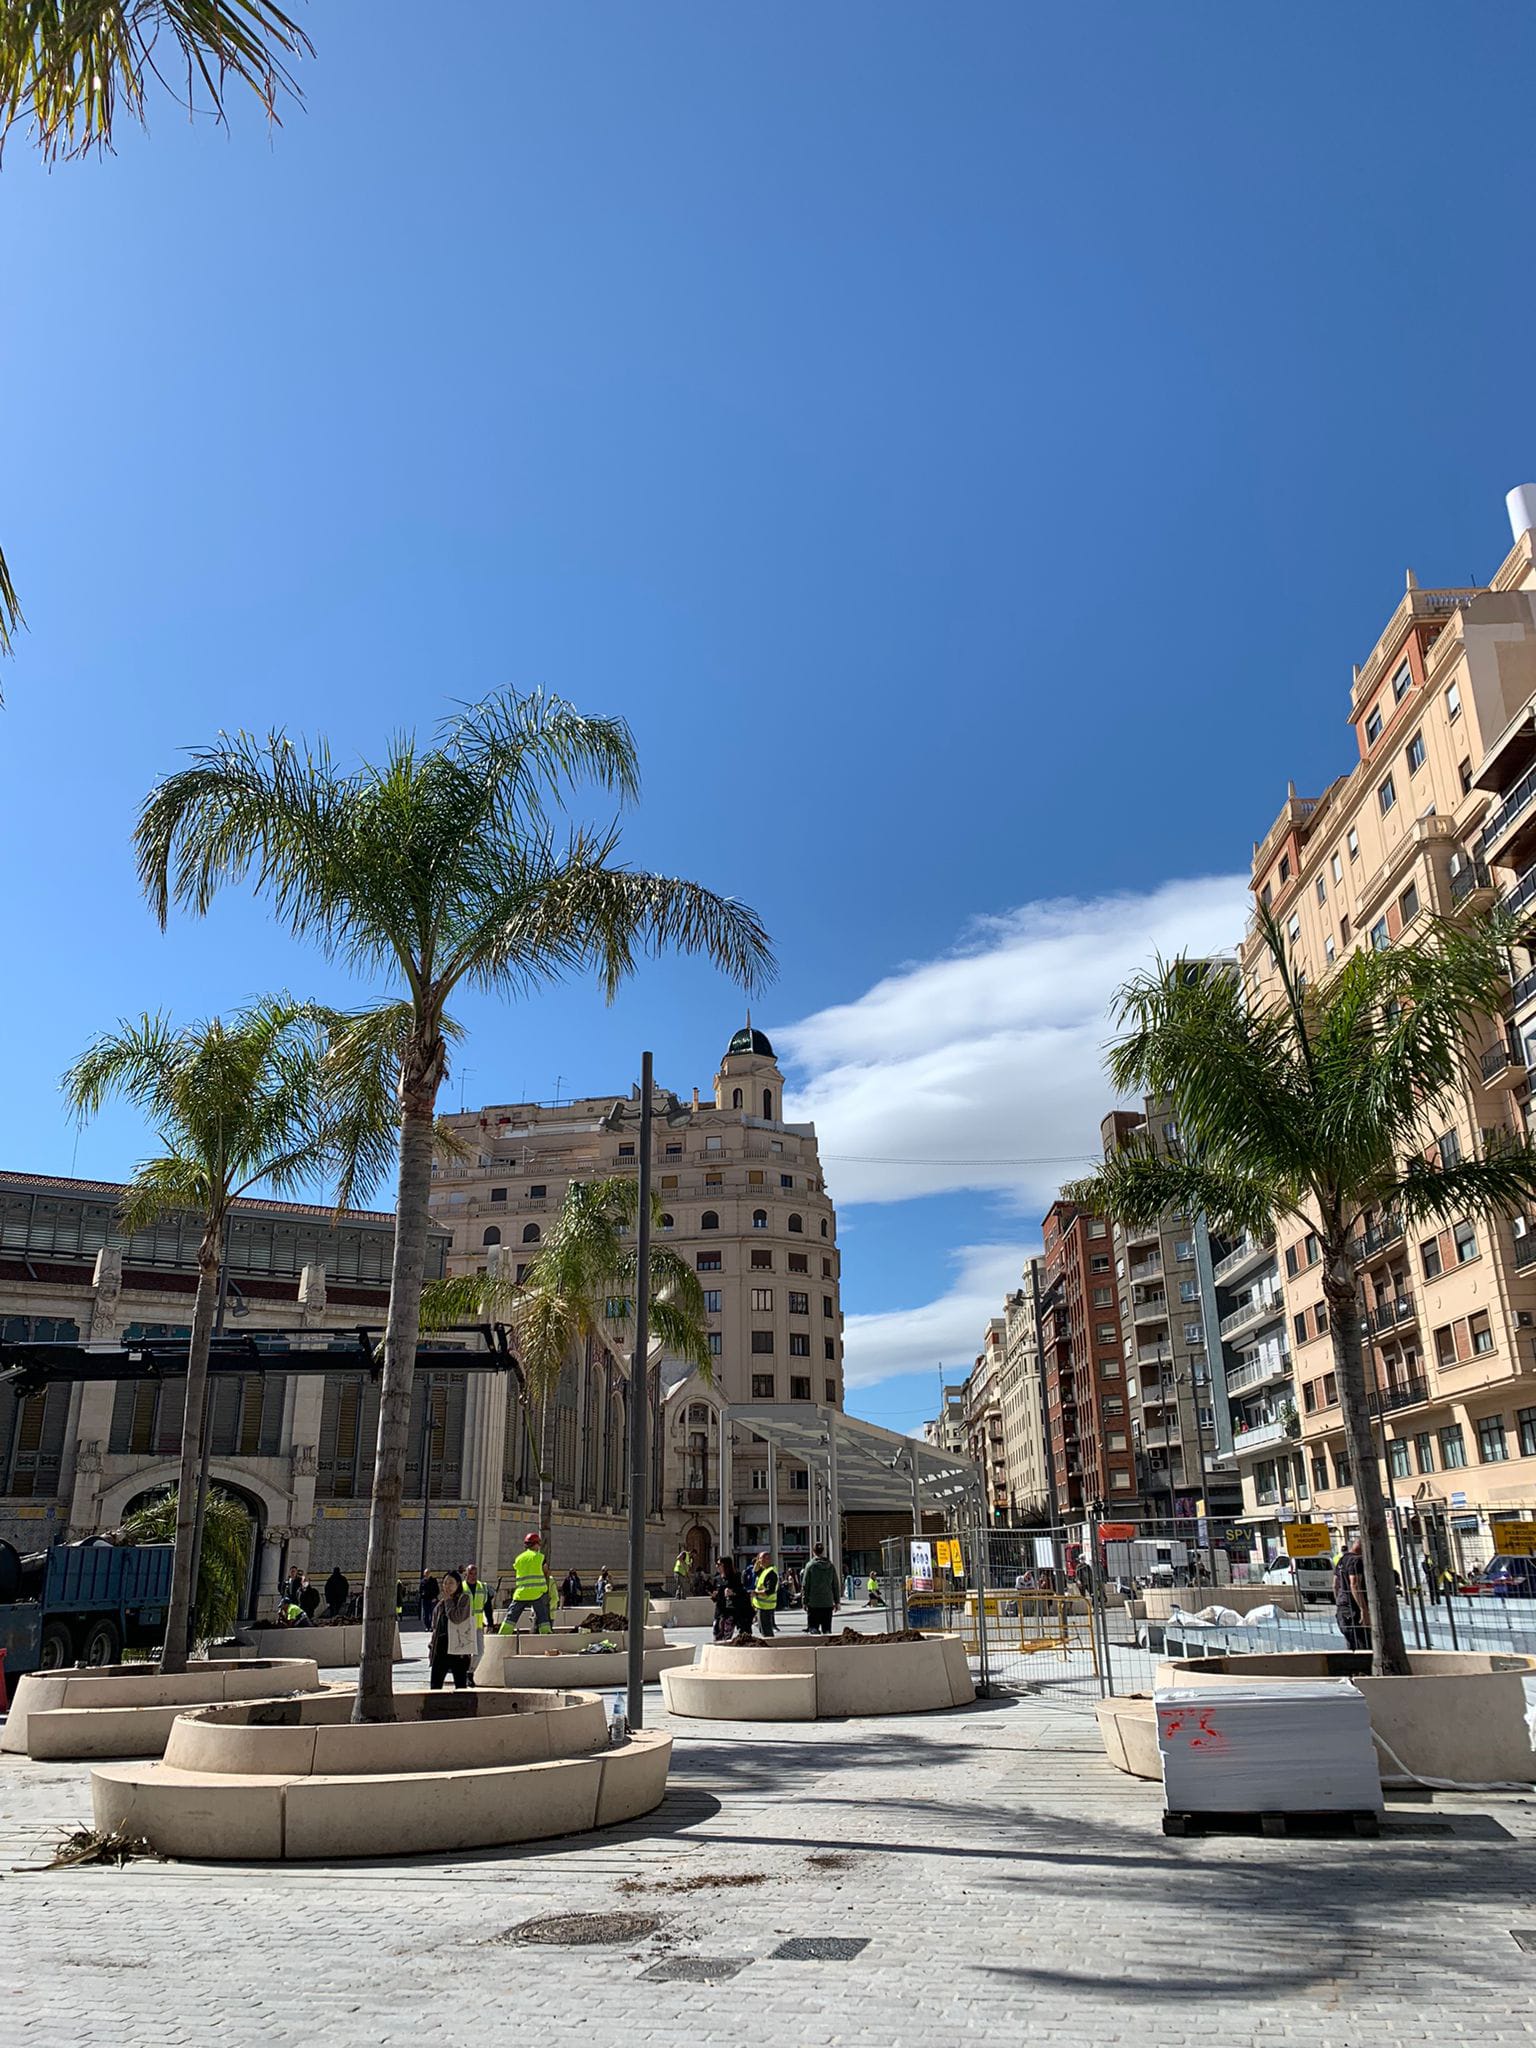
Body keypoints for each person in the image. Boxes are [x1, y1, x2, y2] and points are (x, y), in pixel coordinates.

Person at [429, 1569, 476, 1689]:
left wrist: (449, 1600)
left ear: (458, 1584)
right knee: (435, 1684)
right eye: (445, 1583)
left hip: (458, 1648)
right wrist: (431, 1645)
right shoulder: (440, 1604)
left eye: (451, 1583)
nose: (447, 1586)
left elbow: (457, 1618)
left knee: (460, 1684)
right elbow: (436, 1627)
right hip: (441, 1647)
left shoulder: (464, 1599)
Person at [501, 1532, 554, 1636]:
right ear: (536, 1544)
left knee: (511, 1617)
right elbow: (546, 1572)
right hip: (537, 1593)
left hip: (521, 1593)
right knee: (543, 1616)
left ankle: (502, 1635)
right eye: (538, 1544)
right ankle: (546, 1634)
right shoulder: (540, 1557)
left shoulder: (519, 1558)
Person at [1334, 1536, 1370, 1652]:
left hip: (1343, 1607)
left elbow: (1334, 1584)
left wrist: (1339, 1602)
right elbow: (1354, 1584)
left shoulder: (1342, 1559)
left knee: (1351, 1646)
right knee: (1364, 1646)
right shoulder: (1357, 1560)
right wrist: (1363, 1609)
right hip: (1354, 1609)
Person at [800, 1543, 840, 1636]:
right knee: (827, 1630)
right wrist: (837, 1601)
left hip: (814, 1603)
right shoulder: (830, 1566)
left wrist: (804, 1601)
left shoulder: (810, 1566)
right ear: (823, 1551)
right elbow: (835, 1585)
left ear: (813, 1552)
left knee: (813, 1628)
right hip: (827, 1603)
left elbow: (805, 1585)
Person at [714, 1557, 751, 1641]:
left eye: (720, 1564)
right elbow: (717, 1595)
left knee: (727, 1635)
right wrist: (714, 1595)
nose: (717, 1566)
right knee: (717, 1634)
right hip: (720, 1610)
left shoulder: (736, 1577)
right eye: (717, 1564)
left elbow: (743, 1592)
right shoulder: (717, 1579)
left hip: (732, 1610)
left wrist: (733, 1592)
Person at [461, 1563, 492, 1653]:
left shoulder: (482, 1587)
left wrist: (490, 1623)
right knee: (465, 1652)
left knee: (480, 1652)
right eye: (471, 1573)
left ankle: (472, 1668)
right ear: (466, 1574)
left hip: (478, 1625)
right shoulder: (461, 1588)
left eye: (475, 1574)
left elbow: (488, 1607)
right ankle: (467, 1667)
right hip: (464, 1625)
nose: (473, 1576)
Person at [751, 1550, 780, 1638]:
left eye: (761, 1559)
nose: (759, 1561)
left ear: (767, 1559)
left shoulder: (771, 1572)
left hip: (766, 1606)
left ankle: (770, 1647)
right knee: (762, 1628)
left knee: (766, 1630)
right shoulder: (765, 1570)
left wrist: (756, 1593)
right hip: (762, 1605)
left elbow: (769, 1590)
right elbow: (755, 1572)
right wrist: (756, 1564)